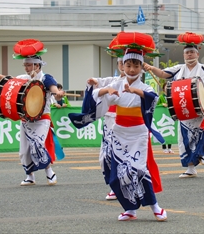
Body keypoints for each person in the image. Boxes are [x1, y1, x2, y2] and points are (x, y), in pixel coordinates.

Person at [70, 32, 167, 221]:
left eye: (135, 65)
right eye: (128, 65)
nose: (131, 69)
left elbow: (153, 99)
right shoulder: (117, 82)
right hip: (119, 133)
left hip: (138, 134)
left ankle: (155, 206)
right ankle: (130, 209)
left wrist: (135, 91)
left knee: (138, 170)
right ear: (123, 65)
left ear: (141, 66)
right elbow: (97, 93)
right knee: (118, 175)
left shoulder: (145, 87)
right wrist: (103, 89)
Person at [0, 39, 64, 187]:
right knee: (24, 150)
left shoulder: (46, 78)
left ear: (37, 65)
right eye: (25, 65)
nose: (26, 68)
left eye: (29, 65)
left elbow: (53, 89)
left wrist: (57, 93)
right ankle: (30, 176)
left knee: (37, 145)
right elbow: (8, 81)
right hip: (26, 119)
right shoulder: (24, 79)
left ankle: (49, 172)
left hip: (41, 118)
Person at [144, 33, 204, 178]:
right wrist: (150, 67)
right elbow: (162, 73)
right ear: (184, 55)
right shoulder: (178, 69)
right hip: (184, 109)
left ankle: (202, 154)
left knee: (201, 134)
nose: (189, 54)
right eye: (187, 52)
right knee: (184, 139)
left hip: (202, 110)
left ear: (197, 54)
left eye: (192, 52)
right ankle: (191, 168)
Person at [86, 56, 125, 200]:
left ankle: (122, 186)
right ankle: (115, 185)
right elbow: (99, 84)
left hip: (125, 122)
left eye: (125, 63)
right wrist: (94, 82)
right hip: (109, 120)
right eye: (120, 63)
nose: (123, 66)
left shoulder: (133, 82)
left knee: (121, 155)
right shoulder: (112, 80)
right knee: (106, 155)